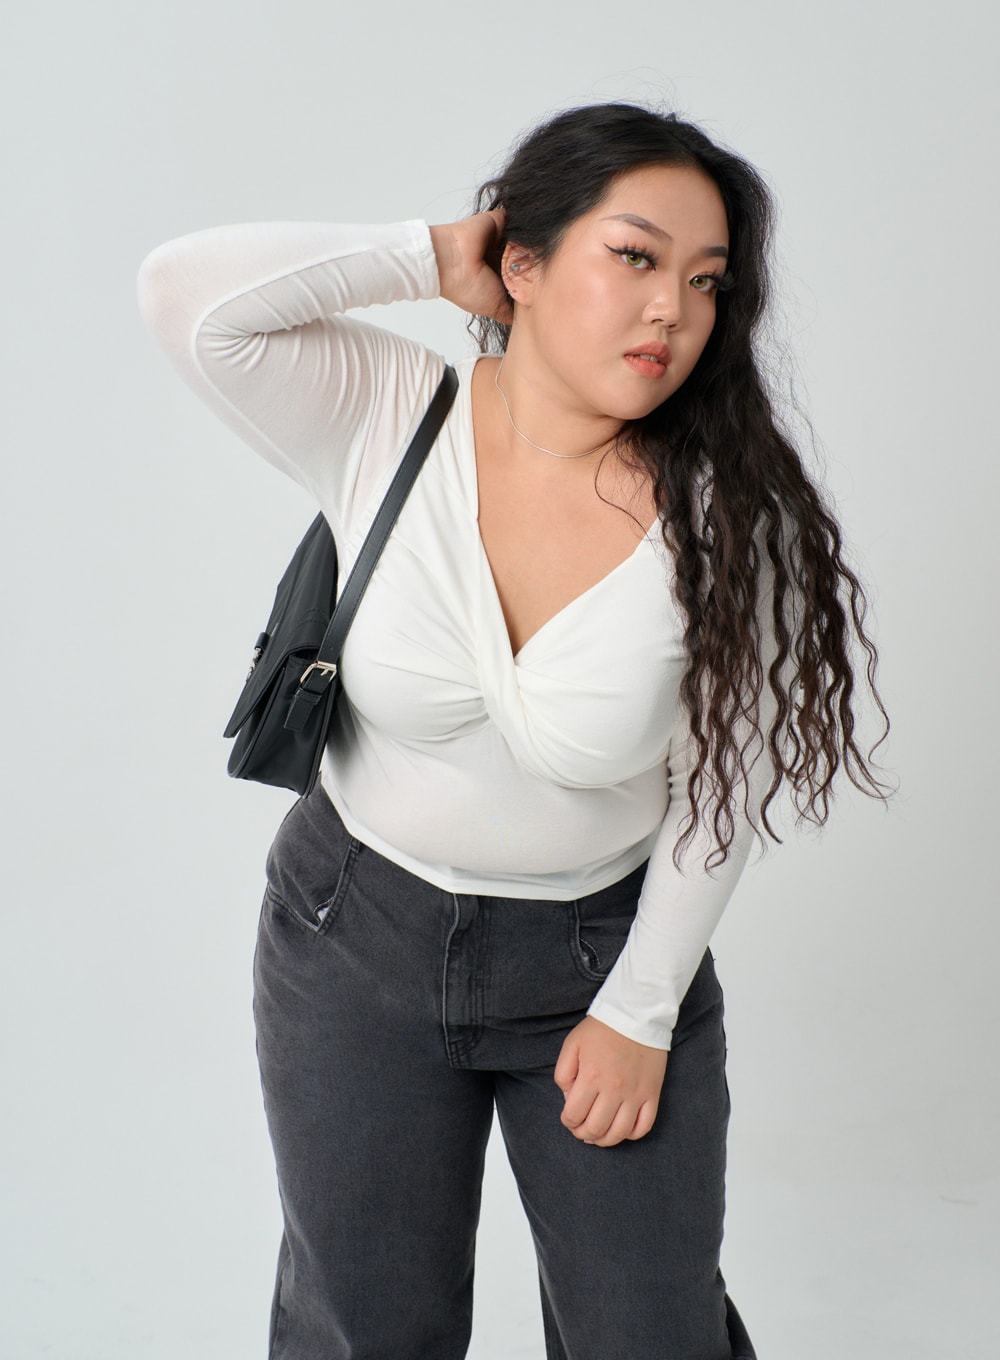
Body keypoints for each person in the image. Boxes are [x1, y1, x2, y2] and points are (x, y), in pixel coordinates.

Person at [136, 101, 887, 1360]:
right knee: (362, 1330)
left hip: (599, 953)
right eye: (634, 257)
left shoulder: (727, 516)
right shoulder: (386, 412)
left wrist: (640, 1009)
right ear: (521, 263)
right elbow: (184, 294)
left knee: (648, 1334)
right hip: (353, 937)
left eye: (706, 282)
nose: (672, 310)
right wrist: (432, 254)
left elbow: (722, 784)